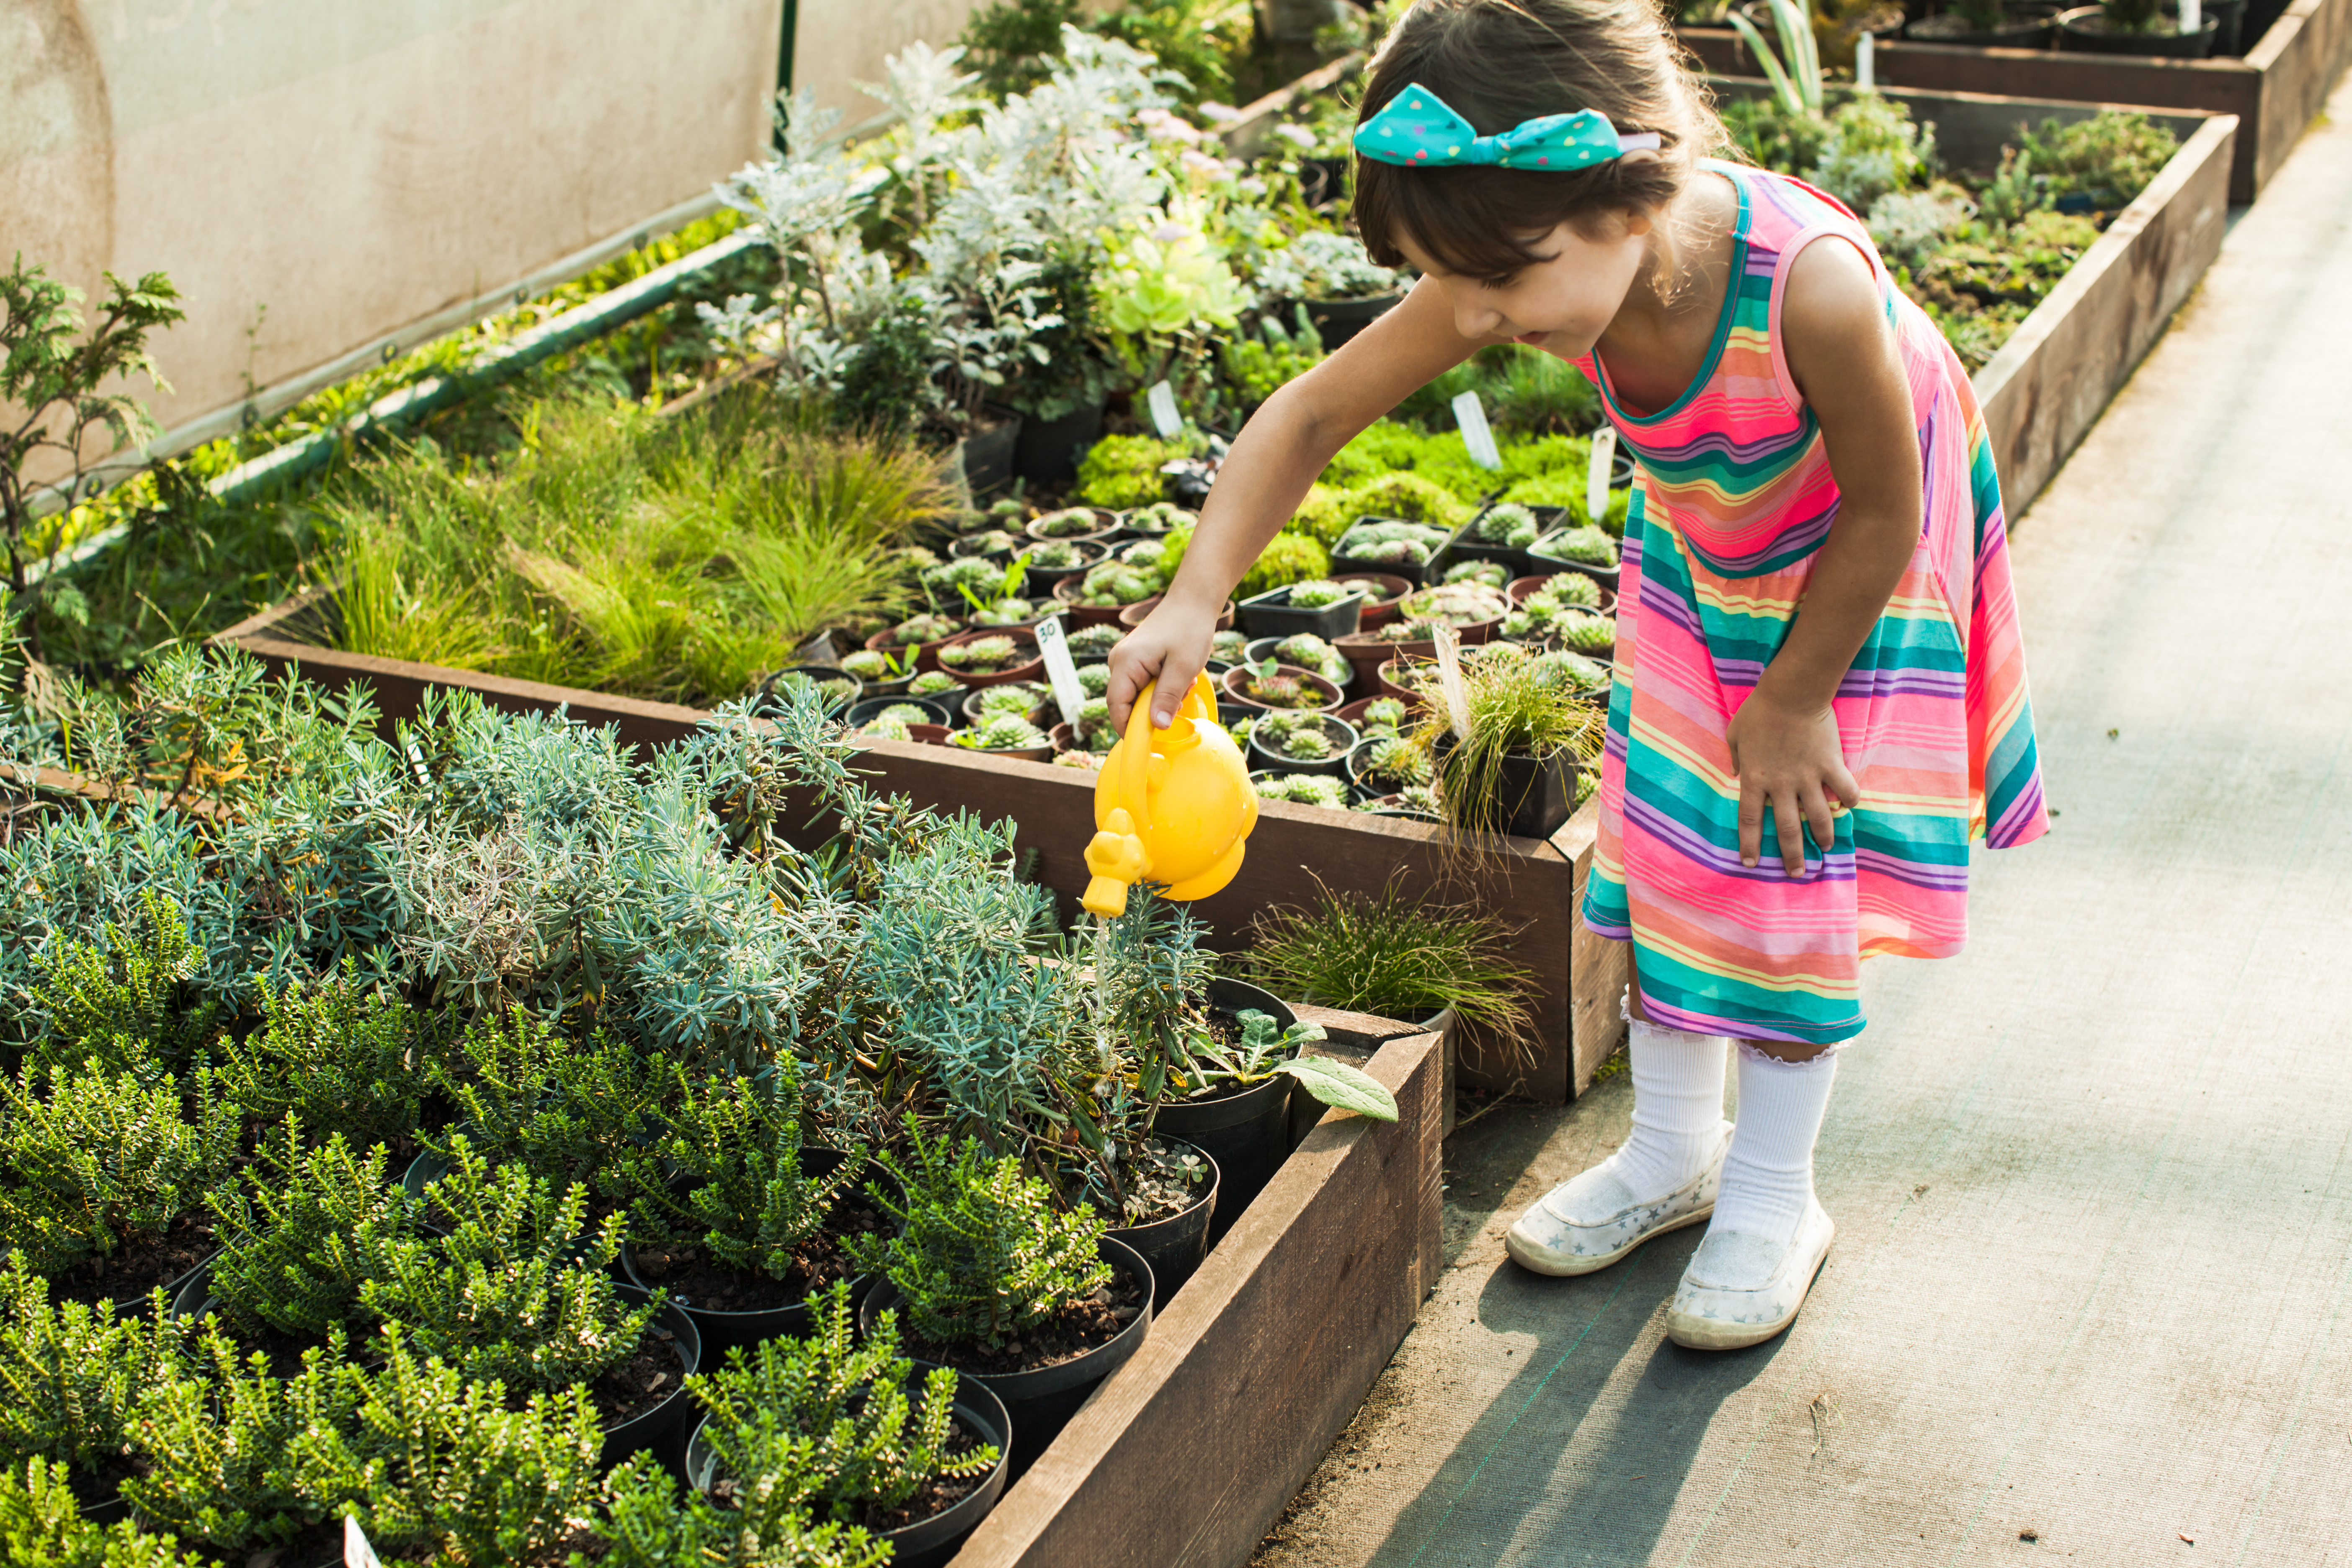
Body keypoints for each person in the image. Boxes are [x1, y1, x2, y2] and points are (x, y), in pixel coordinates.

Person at [1107, 0, 2049, 1347]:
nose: (1479, 318)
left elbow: (1890, 512)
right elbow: (1312, 411)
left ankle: (1778, 1194)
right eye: (1456, 283)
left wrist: (1791, 702)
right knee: (1666, 835)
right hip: (1705, 544)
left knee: (1785, 858)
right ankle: (1673, 1151)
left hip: (1852, 568)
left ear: (1634, 193)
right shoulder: (1524, 260)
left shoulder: (1813, 287)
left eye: (1505, 280)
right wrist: (1196, 598)